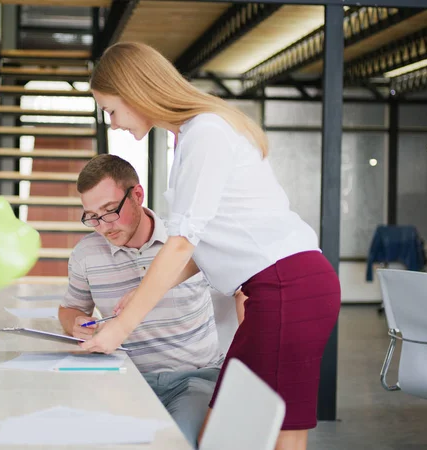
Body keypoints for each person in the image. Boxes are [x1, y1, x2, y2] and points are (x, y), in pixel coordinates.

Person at [80, 42, 341, 450]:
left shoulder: (206, 133)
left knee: (246, 433)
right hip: (289, 285)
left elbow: (182, 243)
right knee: (270, 427)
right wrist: (142, 292)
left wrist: (121, 328)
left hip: (286, 286)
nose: (110, 123)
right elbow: (203, 245)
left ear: (136, 91)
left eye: (111, 109)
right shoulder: (190, 136)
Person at [58, 154, 224, 448]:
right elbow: (70, 308)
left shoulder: (185, 240)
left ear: (137, 195)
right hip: (124, 378)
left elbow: (244, 287)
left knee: (177, 442)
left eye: (110, 211)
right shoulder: (86, 254)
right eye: (91, 216)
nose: (103, 226)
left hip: (194, 380)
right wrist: (76, 323)